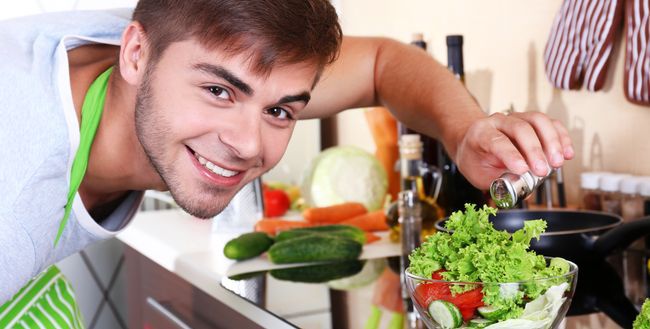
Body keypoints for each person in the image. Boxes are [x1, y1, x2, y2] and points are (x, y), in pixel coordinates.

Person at [0, 0, 573, 326]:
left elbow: (381, 62)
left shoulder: (184, 42)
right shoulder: (14, 187)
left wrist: (464, 129)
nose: (249, 144)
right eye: (219, 92)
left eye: (279, 109)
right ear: (135, 53)